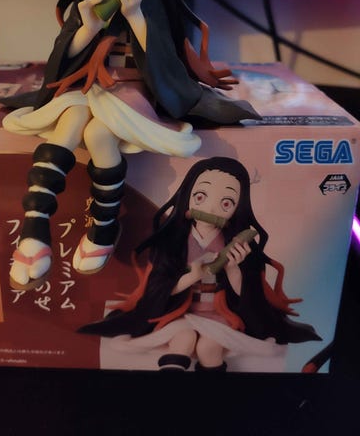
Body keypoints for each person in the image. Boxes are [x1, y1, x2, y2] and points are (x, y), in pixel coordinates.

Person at [0, 0, 260, 290]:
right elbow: (63, 55)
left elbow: (167, 61)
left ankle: (104, 228)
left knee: (97, 133)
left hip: (131, 89)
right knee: (70, 119)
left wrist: (136, 15)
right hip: (89, 83)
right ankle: (34, 228)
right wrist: (87, 27)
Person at [79, 156, 321, 371]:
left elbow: (252, 297)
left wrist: (234, 271)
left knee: (208, 347)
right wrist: (191, 277)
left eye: (226, 203)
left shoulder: (239, 244)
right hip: (180, 312)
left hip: (220, 314)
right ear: (187, 197)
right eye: (200, 197)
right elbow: (157, 288)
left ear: (238, 208)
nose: (211, 208)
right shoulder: (172, 241)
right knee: (182, 341)